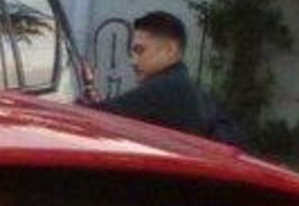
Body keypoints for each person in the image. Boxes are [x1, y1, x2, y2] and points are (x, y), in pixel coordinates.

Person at [92, 11, 232, 141]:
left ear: (170, 50)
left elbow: (93, 116)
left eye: (140, 51)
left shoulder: (167, 89)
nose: (133, 61)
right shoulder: (192, 88)